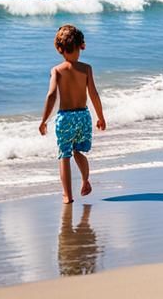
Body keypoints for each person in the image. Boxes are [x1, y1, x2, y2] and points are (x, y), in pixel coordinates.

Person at [39, 24, 106, 204]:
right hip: (83, 117)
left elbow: (51, 96)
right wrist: (100, 117)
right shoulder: (86, 68)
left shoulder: (57, 70)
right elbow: (94, 94)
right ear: (80, 46)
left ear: (60, 49)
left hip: (65, 118)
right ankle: (85, 180)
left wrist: (44, 120)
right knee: (78, 151)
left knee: (64, 155)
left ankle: (67, 195)